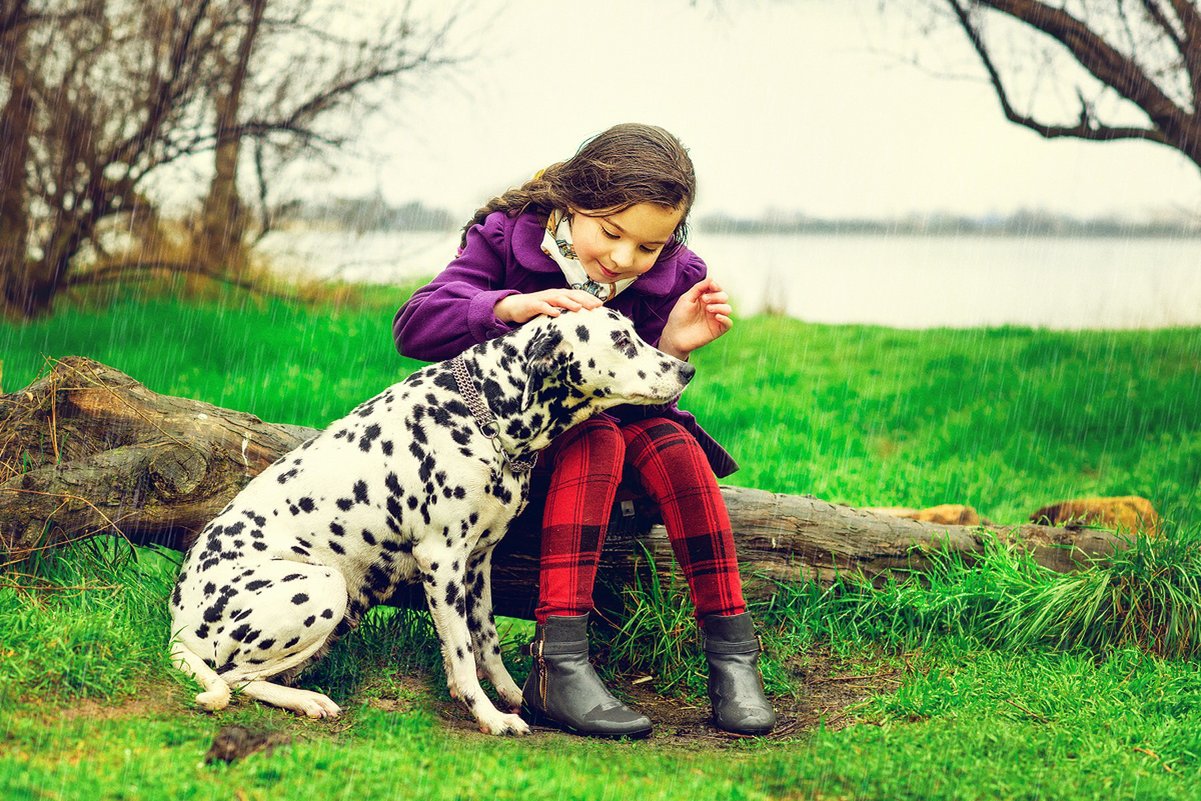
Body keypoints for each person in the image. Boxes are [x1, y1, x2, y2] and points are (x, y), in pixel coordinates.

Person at [392, 122, 775, 739]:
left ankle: (733, 656)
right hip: (521, 461)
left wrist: (670, 345)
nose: (625, 259)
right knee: (596, 436)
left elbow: (631, 382)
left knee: (676, 447)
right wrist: (504, 307)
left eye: (648, 247)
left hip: (618, 456)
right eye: (611, 232)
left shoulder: (674, 274)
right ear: (574, 201)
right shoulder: (505, 242)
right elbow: (414, 326)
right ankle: (558, 664)